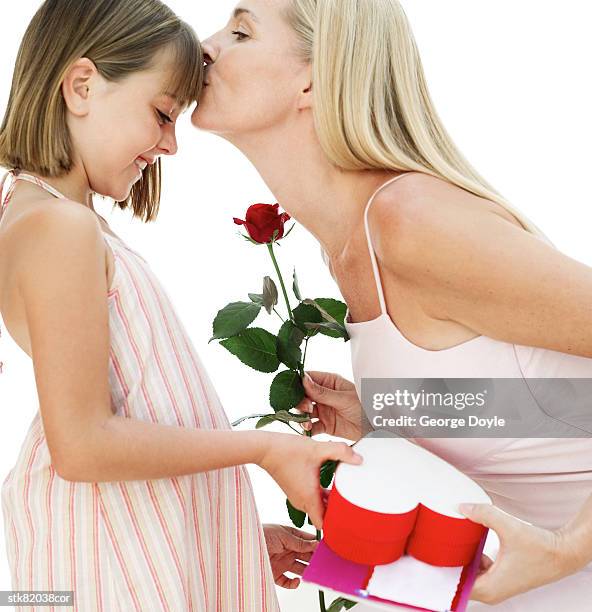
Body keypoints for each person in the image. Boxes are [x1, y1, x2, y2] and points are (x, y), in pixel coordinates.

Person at [192, 0, 592, 608]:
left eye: (240, 31)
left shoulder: (409, 222)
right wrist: (388, 420)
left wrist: (572, 544)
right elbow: (556, 410)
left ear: (314, 78)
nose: (205, 46)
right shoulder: (346, 244)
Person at [0, 1, 361, 609]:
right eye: (163, 114)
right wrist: (266, 447)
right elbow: (84, 445)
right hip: (105, 572)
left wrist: (226, 532)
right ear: (82, 86)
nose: (171, 144)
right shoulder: (59, 228)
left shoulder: (59, 220)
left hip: (120, 552)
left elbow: (135, 417)